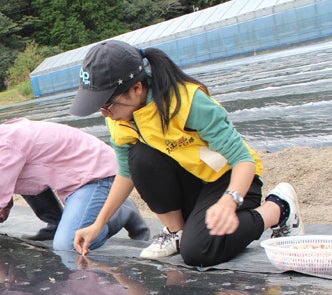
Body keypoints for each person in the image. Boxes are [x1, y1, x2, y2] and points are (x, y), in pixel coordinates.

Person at [70, 40, 303, 267]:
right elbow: (126, 173)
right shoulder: (120, 118)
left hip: (231, 179)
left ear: (136, 88)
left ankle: (279, 208)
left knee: (199, 251)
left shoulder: (187, 102)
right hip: (193, 180)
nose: (105, 114)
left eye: (107, 105)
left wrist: (229, 201)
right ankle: (176, 232)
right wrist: (98, 224)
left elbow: (244, 160)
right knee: (140, 157)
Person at [0, 103, 149, 269]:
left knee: (67, 246)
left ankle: (119, 212)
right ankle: (60, 223)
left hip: (97, 176)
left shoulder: (3, 148)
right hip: (71, 181)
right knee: (23, 186)